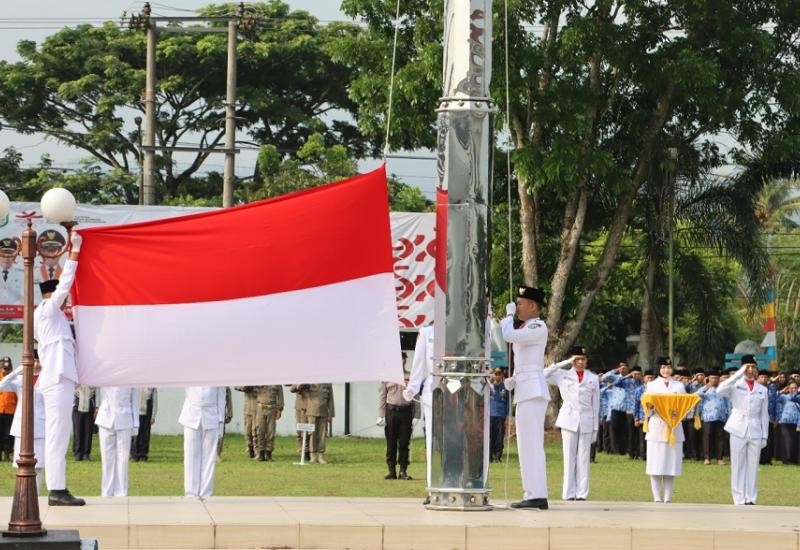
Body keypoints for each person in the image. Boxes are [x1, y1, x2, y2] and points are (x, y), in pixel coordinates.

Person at [34, 231, 85, 506]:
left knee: (59, 434)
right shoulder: (47, 310)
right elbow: (65, 284)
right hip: (56, 379)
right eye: (59, 296)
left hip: (58, 378)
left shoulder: (51, 317)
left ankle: (57, 487)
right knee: (58, 434)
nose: (64, 301)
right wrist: (75, 252)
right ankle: (56, 489)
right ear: (51, 295)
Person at [500, 286, 550, 510]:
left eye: (521, 303)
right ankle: (533, 492)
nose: (517, 306)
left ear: (533, 306)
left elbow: (509, 335)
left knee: (531, 444)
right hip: (526, 389)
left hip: (532, 391)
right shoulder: (527, 327)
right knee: (526, 445)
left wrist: (508, 316)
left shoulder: (538, 326)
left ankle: (537, 494)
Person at [544, 345, 599, 501]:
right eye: (577, 359)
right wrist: (564, 363)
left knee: (583, 457)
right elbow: (542, 375)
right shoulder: (563, 375)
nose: (580, 362)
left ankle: (582, 493)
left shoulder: (592, 378)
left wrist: (595, 427)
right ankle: (568, 493)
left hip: (587, 419)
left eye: (583, 359)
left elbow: (596, 404)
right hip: (569, 418)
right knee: (569, 457)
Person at [716, 355, 769, 505]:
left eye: (752, 366)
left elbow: (764, 415)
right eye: (747, 366)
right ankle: (738, 497)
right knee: (738, 464)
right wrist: (738, 373)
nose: (750, 370)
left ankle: (751, 497)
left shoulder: (762, 389)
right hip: (738, 427)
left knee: (753, 465)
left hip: (755, 428)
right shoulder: (735, 384)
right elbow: (720, 389)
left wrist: (765, 435)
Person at [0, 353, 46, 491]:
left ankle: (35, 495)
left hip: (40, 427)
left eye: (38, 361)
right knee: (20, 465)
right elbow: (2, 386)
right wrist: (18, 370)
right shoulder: (20, 379)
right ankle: (22, 494)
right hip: (21, 426)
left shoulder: (47, 379)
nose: (36, 364)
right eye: (34, 361)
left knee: (38, 465)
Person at [644, 356, 686, 503]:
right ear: (658, 369)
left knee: (671, 465)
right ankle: (656, 497)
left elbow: (684, 407)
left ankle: (667, 497)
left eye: (668, 367)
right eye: (663, 367)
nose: (666, 370)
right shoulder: (652, 385)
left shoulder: (679, 386)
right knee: (655, 464)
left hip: (674, 428)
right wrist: (651, 408)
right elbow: (647, 409)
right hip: (657, 427)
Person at [179, 386, 227, 498]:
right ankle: (191, 492)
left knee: (209, 457)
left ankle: (206, 492)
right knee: (191, 455)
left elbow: (221, 399)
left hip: (211, 415)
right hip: (191, 414)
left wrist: (220, 423)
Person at [403, 324, 434, 491]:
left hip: (458, 393)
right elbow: (419, 362)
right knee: (432, 441)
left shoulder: (458, 328)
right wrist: (412, 388)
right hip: (433, 389)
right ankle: (433, 486)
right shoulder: (427, 332)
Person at [378, 352, 417, 480]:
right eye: (399, 358)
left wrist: (417, 415)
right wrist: (381, 415)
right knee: (391, 442)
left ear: (406, 360)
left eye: (404, 358)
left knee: (404, 442)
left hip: (406, 411)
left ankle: (403, 471)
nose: (402, 360)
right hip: (391, 411)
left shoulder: (411, 376)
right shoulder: (387, 376)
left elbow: (415, 395)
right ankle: (391, 470)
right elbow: (382, 396)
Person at [95, 387, 139, 497]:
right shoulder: (104, 371)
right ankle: (106, 492)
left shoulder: (132, 376)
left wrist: (136, 424)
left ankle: (121, 493)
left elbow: (135, 400)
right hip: (105, 417)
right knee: (106, 459)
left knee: (123, 459)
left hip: (124, 417)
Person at [695, 370, 729, 465]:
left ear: (719, 379)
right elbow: (695, 396)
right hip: (708, 416)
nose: (714, 380)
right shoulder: (704, 389)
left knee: (720, 437)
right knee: (707, 437)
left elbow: (728, 402)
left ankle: (720, 458)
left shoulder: (723, 389)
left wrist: (729, 415)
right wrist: (705, 388)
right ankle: (707, 458)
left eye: (716, 378)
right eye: (712, 378)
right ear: (708, 379)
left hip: (721, 416)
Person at [601, 362, 629, 455]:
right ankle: (615, 449)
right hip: (615, 407)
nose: (623, 370)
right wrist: (616, 370)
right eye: (622, 368)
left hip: (625, 408)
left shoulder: (629, 379)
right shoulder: (615, 378)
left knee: (624, 430)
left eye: (625, 368)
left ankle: (623, 449)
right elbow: (604, 377)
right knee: (614, 429)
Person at [305, 383, 334, 464]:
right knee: (312, 434)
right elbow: (294, 389)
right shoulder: (309, 382)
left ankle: (321, 455)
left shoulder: (327, 383)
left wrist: (331, 414)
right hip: (311, 412)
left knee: (322, 434)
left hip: (324, 412)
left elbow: (331, 400)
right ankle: (313, 455)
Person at [255, 385, 283, 462]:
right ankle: (261, 453)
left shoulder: (277, 382)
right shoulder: (260, 379)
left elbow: (280, 396)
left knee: (271, 431)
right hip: (261, 407)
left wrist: (280, 409)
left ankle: (269, 453)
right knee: (260, 430)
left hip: (272, 408)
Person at [488, 368, 510, 462]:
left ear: (501, 375)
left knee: (500, 436)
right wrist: (490, 380)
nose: (497, 376)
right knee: (490, 436)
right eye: (495, 374)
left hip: (501, 415)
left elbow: (508, 401)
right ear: (492, 375)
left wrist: (507, 415)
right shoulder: (489, 386)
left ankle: (498, 456)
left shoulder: (505, 386)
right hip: (490, 414)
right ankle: (489, 455)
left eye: (499, 374)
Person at [131, 388, 157, 462]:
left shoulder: (152, 387)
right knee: (135, 435)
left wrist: (153, 416)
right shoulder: (135, 386)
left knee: (145, 436)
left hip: (146, 414)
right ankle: (134, 455)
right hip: (136, 414)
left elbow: (155, 403)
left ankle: (143, 455)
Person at [776, 381, 799, 464]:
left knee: (794, 441)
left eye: (795, 388)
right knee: (787, 440)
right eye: (791, 388)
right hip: (785, 422)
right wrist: (782, 391)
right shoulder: (784, 397)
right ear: (788, 389)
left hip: (795, 423)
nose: (793, 389)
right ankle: (787, 459)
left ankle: (793, 459)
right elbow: (775, 398)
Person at [0, 357, 17, 461]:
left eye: (8, 368)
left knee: (9, 435)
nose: (6, 371)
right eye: (4, 368)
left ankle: (7, 454)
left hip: (11, 412)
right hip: (0, 411)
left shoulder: (14, 379)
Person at [72, 384, 95, 461]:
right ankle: (78, 453)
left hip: (90, 402)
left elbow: (97, 390)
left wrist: (97, 406)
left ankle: (86, 453)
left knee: (88, 430)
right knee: (77, 429)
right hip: (77, 402)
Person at [234, 386, 259, 458]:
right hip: (247, 405)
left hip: (257, 404)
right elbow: (237, 386)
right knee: (248, 428)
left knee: (256, 428)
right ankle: (250, 447)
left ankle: (257, 450)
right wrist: (245, 387)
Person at [0, 238, 23, 305]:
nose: (6, 258)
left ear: (14, 256)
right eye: (3, 255)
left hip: (16, 313)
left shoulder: (22, 275)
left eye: (10, 255)